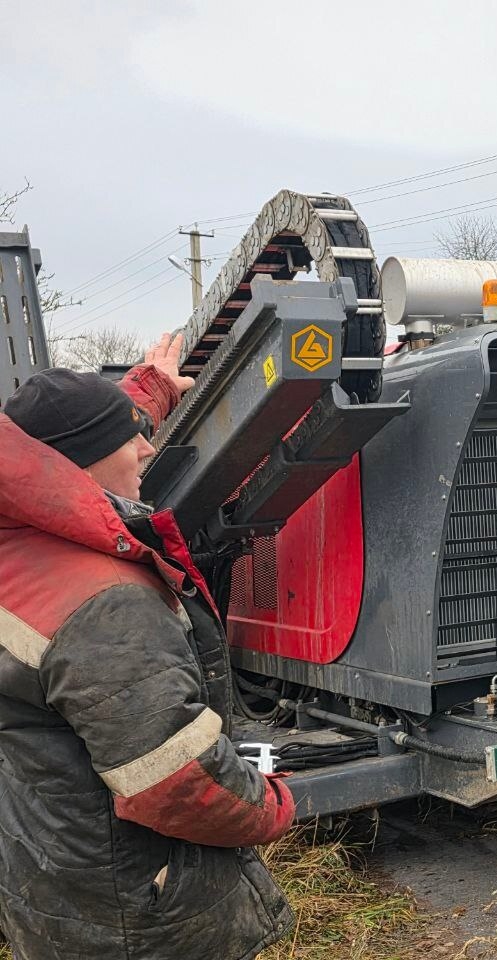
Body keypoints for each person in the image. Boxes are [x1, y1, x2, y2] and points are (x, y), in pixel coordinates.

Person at [0, 334, 296, 960]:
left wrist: (151, 392)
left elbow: (61, 446)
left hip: (53, 873)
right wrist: (270, 804)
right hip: (137, 917)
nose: (147, 447)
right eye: (128, 437)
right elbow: (175, 782)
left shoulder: (17, 544)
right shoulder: (106, 606)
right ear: (77, 463)